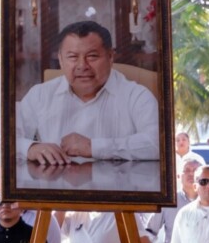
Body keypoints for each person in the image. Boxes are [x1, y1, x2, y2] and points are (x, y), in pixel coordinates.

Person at [16, 21, 159, 164]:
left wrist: (94, 147)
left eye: (92, 56)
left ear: (110, 57)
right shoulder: (40, 95)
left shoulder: (137, 96)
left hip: (119, 185)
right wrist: (31, 148)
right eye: (72, 57)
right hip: (56, 185)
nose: (82, 66)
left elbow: (158, 143)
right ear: (60, 59)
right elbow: (7, 142)